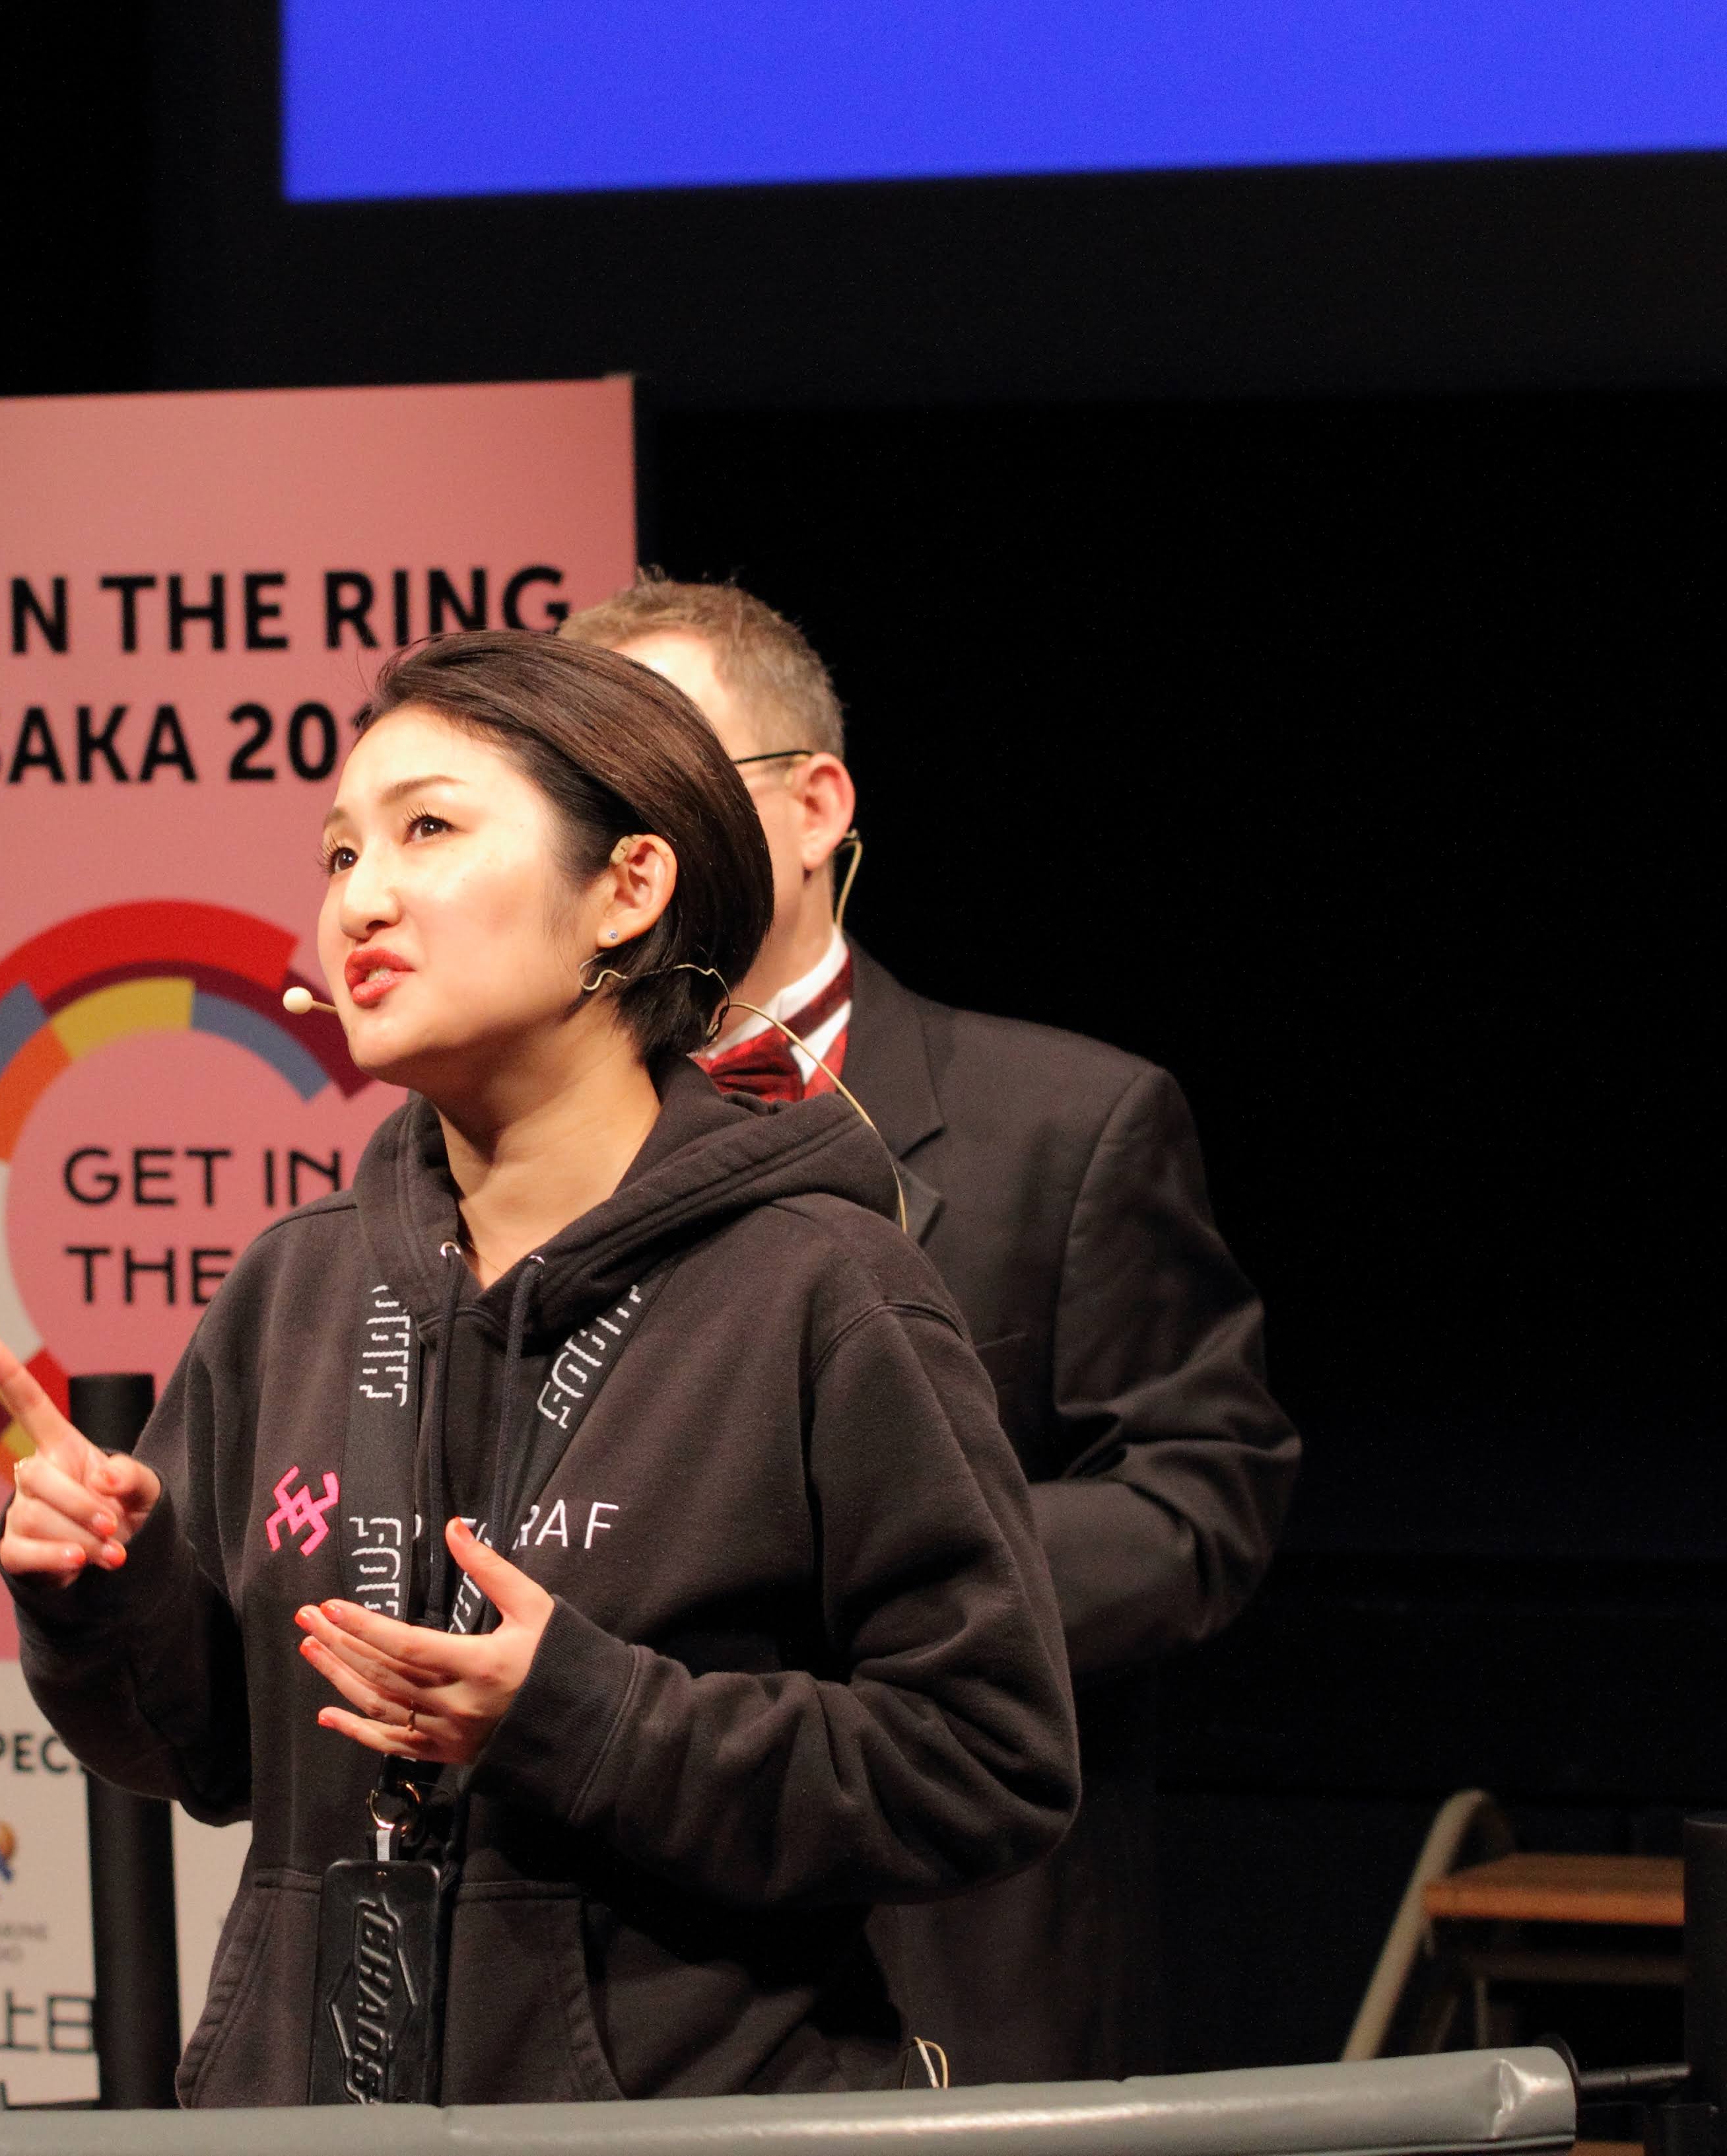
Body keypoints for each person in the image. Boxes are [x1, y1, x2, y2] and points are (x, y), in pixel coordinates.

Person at [0, 631, 1077, 2106]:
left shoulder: (822, 1286)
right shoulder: (294, 1285)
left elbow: (987, 1760)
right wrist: (107, 1588)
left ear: (628, 888)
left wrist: (589, 1716)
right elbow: (211, 1755)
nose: (361, 899)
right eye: (339, 852)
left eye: (428, 830)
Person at [560, 576, 1301, 2081]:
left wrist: (876, 1581)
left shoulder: (1065, 1123)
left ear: (816, 806)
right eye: (589, 799)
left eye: (671, 776)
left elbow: (1198, 1501)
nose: (630, 842)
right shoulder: (522, 1151)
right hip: (601, 1967)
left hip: (941, 1948)